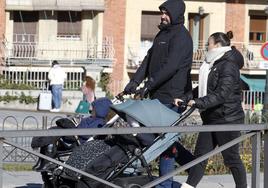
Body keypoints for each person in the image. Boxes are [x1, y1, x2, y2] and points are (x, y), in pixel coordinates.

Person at [124, 0, 194, 187]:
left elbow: (171, 66)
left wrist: (149, 84)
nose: (163, 15)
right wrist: (134, 81)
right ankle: (193, 165)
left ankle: (166, 183)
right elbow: (148, 60)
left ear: (177, 14)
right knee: (162, 141)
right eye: (162, 12)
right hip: (156, 96)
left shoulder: (182, 37)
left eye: (166, 13)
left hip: (172, 97)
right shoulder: (161, 34)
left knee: (163, 143)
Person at [174, 31, 247, 188]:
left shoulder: (228, 65)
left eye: (209, 43)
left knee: (231, 158)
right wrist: (186, 98)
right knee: (200, 157)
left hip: (228, 119)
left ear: (218, 45)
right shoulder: (213, 64)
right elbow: (204, 88)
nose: (207, 46)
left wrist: (197, 102)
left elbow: (222, 94)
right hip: (211, 118)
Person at [31, 97, 112, 171]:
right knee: (53, 132)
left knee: (54, 135)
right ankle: (42, 161)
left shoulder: (99, 123)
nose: (91, 110)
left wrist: (76, 129)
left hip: (78, 142)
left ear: (100, 110)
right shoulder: (92, 119)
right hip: (75, 136)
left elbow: (87, 135)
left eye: (94, 109)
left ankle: (46, 161)